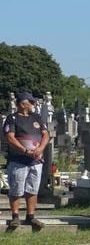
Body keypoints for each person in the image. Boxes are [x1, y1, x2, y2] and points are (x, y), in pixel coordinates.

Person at [4, 93, 49, 232]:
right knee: (16, 188)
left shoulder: (36, 117)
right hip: (18, 159)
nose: (33, 105)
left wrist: (40, 148)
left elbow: (45, 134)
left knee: (32, 188)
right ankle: (15, 216)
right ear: (23, 104)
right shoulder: (12, 118)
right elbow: (10, 137)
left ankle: (31, 216)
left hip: (36, 160)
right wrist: (25, 150)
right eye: (31, 102)